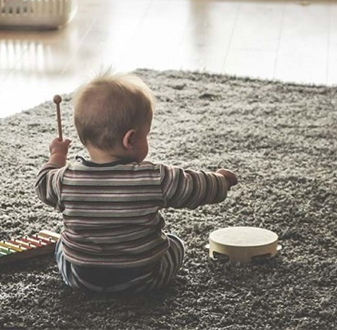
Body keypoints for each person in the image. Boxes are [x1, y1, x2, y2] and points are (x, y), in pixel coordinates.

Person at [35, 72, 238, 293]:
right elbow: (194, 186)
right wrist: (221, 181)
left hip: (81, 278)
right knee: (175, 244)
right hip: (143, 278)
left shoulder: (64, 180)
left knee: (61, 244)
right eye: (146, 135)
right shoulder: (154, 177)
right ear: (130, 139)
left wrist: (57, 155)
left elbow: (43, 183)